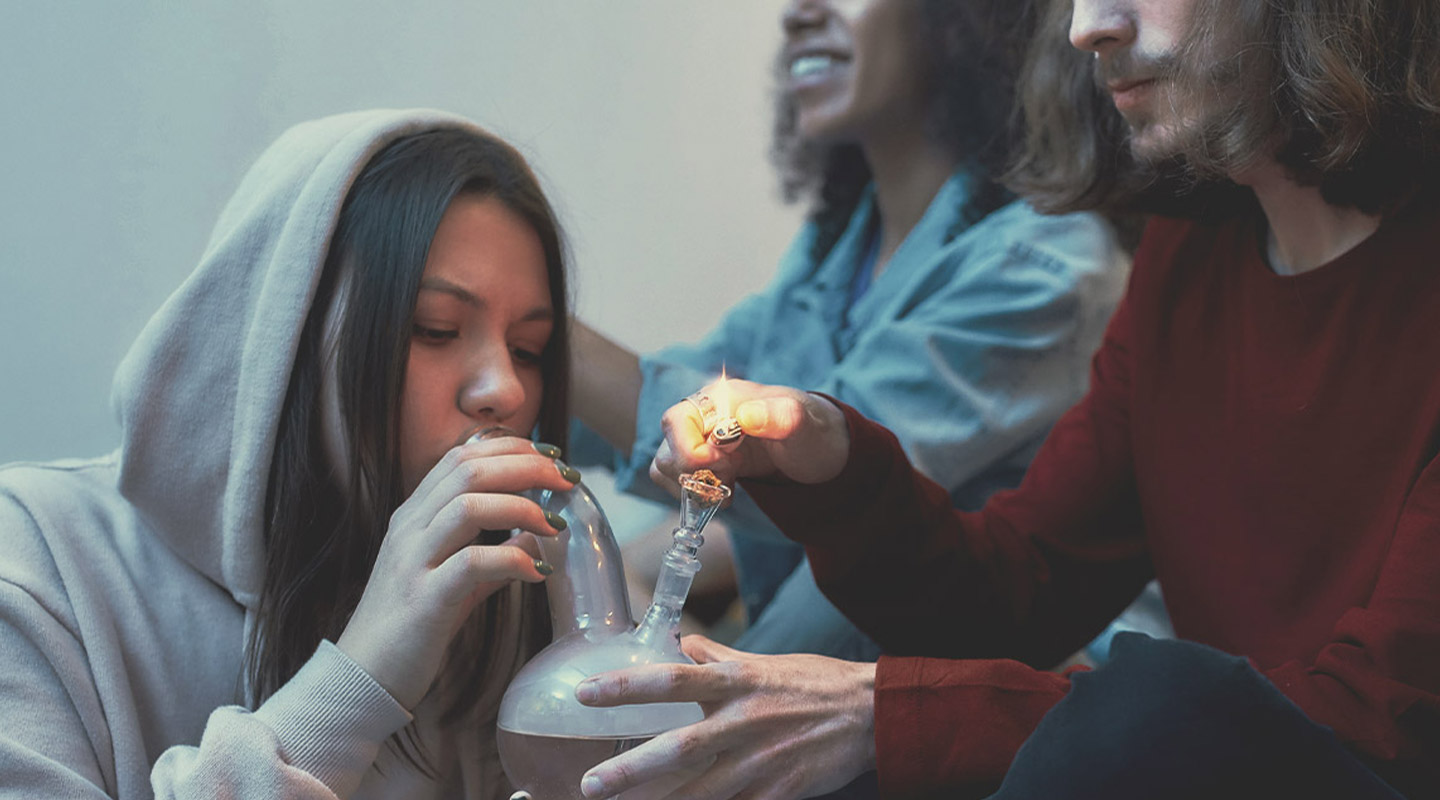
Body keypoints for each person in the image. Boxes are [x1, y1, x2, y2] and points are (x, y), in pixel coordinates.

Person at [570, 0, 1440, 797]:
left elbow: (1369, 722)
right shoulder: (1188, 257)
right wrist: (835, 465)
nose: (1086, 27)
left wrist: (883, 714)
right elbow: (1015, 594)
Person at [0, 109, 583, 798]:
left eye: (528, 350)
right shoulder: (38, 561)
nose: (505, 390)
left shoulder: (520, 590)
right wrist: (359, 681)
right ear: (289, 332)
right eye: (436, 329)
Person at [569, 0, 1129, 659]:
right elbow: (676, 389)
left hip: (1029, 720)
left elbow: (830, 478)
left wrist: (532, 320)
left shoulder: (1049, 266)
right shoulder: (836, 251)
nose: (797, 13)